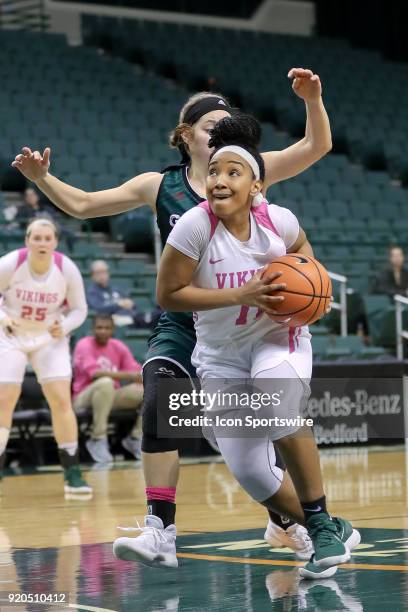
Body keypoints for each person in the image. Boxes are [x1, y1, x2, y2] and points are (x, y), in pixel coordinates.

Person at [12, 68, 332, 563]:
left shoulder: (250, 168)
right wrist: (42, 178)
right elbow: (81, 205)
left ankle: (301, 521)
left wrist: (312, 99)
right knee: (161, 399)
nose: (223, 136)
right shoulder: (157, 185)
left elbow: (314, 147)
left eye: (230, 127)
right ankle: (160, 528)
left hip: (247, 321)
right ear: (186, 136)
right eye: (212, 128)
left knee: (260, 440)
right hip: (186, 319)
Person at [146, 114, 359, 578]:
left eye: (232, 172)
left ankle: (319, 526)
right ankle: (333, 526)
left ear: (256, 187)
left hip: (276, 337)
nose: (219, 180)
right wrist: (238, 295)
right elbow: (168, 295)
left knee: (274, 388)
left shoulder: (278, 222)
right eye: (215, 171)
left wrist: (315, 296)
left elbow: (308, 261)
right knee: (253, 473)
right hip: (221, 355)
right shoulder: (193, 228)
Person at [0, 217, 91, 495]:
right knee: (4, 398)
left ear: (55, 243)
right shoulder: (11, 263)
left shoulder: (66, 268)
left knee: (61, 399)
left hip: (49, 336)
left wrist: (62, 326)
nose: (41, 243)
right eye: (36, 238)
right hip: (11, 333)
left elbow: (79, 310)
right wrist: (3, 316)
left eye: (47, 238)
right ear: (27, 241)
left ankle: (72, 471)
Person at [72, 313, 144, 462]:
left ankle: (136, 438)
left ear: (112, 330)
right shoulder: (84, 344)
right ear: (92, 329)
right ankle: (97, 438)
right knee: (105, 382)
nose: (103, 331)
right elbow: (95, 373)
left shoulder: (118, 346)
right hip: (83, 397)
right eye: (99, 327)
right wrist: (130, 377)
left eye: (107, 328)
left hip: (110, 395)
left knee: (152, 391)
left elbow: (135, 370)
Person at [87, 260, 160, 328]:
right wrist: (118, 304)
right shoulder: (92, 292)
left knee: (158, 316)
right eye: (98, 273)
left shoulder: (115, 289)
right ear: (92, 275)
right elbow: (99, 308)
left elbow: (131, 304)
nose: (102, 275)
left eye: (104, 272)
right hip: (114, 320)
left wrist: (129, 304)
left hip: (132, 317)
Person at [16, 187, 76, 252]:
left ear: (37, 196)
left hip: (51, 227)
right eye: (28, 196)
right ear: (26, 198)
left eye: (32, 195)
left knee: (69, 233)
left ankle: (71, 251)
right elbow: (20, 222)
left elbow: (56, 217)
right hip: (36, 229)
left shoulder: (46, 207)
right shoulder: (23, 210)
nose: (31, 197)